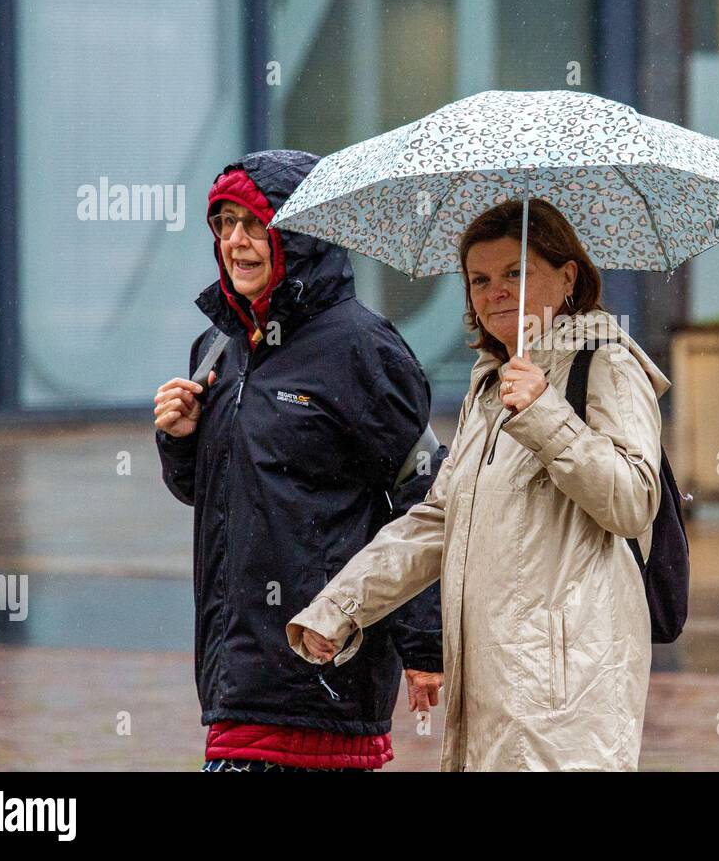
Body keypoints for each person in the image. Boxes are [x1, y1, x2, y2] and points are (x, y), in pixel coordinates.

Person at [287, 197, 670, 771]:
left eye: (517, 273)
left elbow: (634, 501)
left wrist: (546, 414)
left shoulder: (605, 362)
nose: (496, 291)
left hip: (567, 695)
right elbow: (438, 519)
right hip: (492, 689)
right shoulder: (489, 389)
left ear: (568, 276)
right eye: (480, 279)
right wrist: (341, 606)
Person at [154, 149, 444, 772]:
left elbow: (423, 496)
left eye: (255, 224)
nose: (236, 241)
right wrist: (181, 441)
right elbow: (216, 493)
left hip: (322, 668)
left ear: (300, 234)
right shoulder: (218, 347)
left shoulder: (361, 348)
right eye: (224, 224)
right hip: (233, 676)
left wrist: (425, 641)